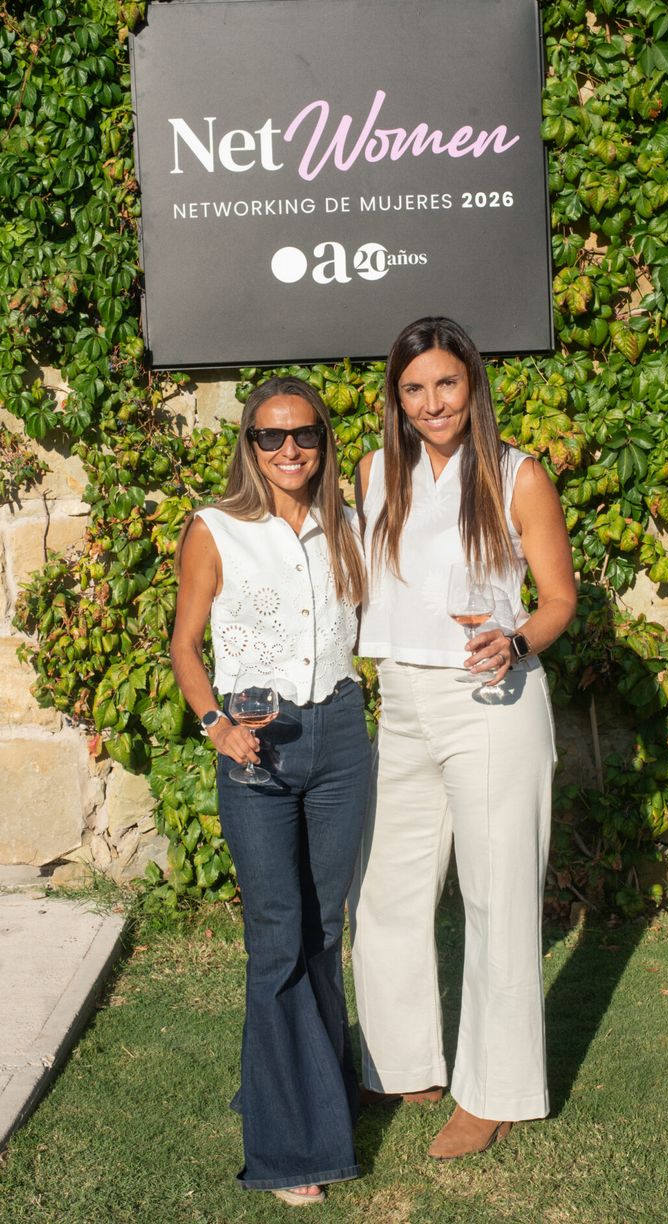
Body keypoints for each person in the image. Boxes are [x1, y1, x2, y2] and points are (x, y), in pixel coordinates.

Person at [350, 317, 577, 1159]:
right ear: (397, 399)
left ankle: (496, 1091)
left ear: (472, 386)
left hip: (494, 701)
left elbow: (557, 598)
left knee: (498, 898)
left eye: (446, 384)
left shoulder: (517, 475)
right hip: (402, 703)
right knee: (385, 894)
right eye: (415, 388)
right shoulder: (376, 474)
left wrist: (516, 640)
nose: (432, 402)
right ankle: (404, 1061)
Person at [171, 376, 370, 1206]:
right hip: (255, 745)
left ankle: (298, 1089)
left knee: (324, 934)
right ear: (248, 444)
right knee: (279, 939)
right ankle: (294, 1148)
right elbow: (184, 646)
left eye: (305, 436)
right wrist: (216, 724)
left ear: (323, 440)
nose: (289, 451)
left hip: (341, 739)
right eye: (270, 436)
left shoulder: (348, 524)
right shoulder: (213, 529)